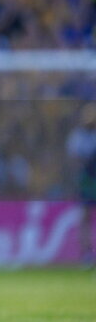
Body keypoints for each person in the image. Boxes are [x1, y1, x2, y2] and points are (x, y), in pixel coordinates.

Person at [67, 103, 96, 268]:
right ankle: (86, 254)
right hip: (87, 181)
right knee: (85, 217)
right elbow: (74, 160)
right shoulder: (78, 136)